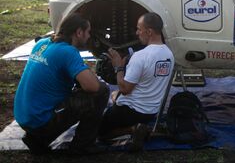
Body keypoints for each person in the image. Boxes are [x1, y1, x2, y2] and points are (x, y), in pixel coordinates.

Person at [14, 13, 109, 155]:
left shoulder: (42, 43)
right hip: (41, 120)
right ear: (78, 32)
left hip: (24, 116)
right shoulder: (68, 51)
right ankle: (82, 146)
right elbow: (93, 86)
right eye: (88, 32)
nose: (89, 36)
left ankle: (37, 139)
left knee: (77, 89)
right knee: (102, 91)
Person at [99, 12, 174, 151]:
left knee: (98, 132)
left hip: (131, 112)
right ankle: (141, 127)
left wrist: (118, 67)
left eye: (139, 29)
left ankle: (133, 129)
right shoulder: (169, 54)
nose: (137, 33)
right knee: (115, 95)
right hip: (151, 111)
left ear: (149, 31)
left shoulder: (140, 56)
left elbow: (125, 89)